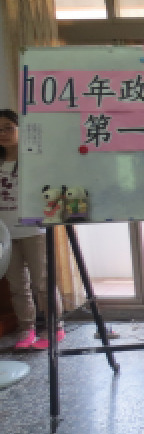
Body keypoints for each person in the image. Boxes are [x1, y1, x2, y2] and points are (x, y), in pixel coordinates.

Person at [0, 109, 64, 350]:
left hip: (34, 230)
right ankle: (26, 329)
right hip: (5, 234)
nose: (3, 133)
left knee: (43, 282)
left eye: (8, 127)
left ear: (20, 129)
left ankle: (54, 327)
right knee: (17, 286)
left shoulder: (34, 159)